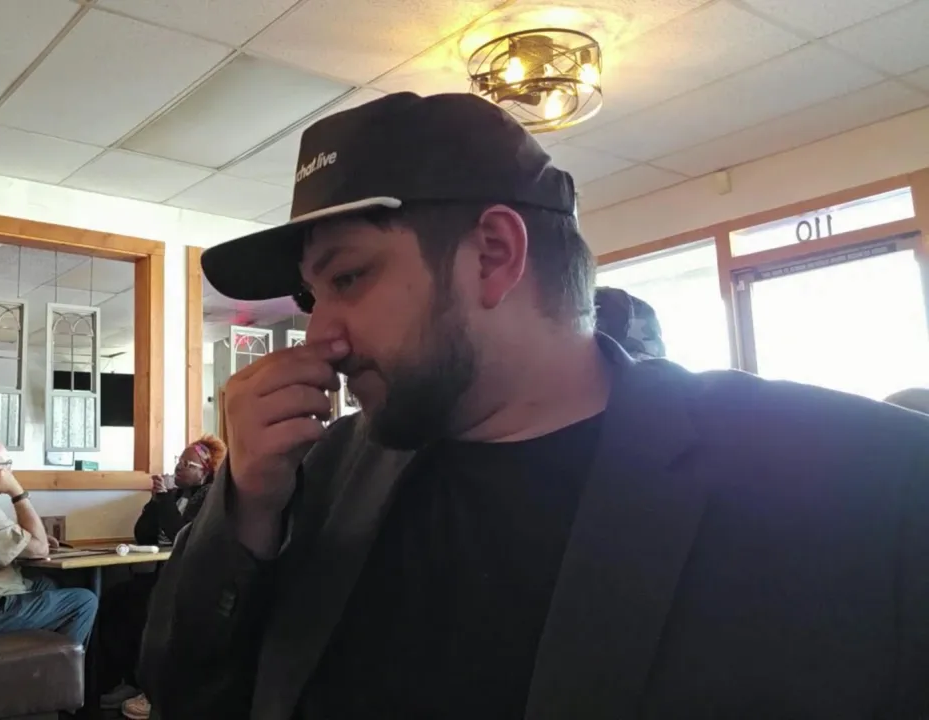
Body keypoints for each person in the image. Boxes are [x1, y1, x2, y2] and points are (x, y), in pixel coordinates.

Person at [138, 92, 929, 719]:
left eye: (348, 278)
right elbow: (185, 695)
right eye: (313, 296)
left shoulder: (865, 484)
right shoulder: (322, 473)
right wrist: (245, 509)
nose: (321, 334)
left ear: (495, 254)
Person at [100, 436, 227, 719]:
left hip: (191, 579)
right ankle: (125, 680)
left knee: (145, 607)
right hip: (162, 573)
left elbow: (180, 535)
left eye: (188, 464)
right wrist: (157, 500)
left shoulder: (210, 497)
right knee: (115, 599)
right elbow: (143, 534)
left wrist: (166, 499)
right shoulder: (175, 494)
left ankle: (151, 688)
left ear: (206, 472)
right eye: (178, 461)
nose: (179, 467)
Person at [0, 436, 98, 649]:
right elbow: (39, 549)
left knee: (49, 584)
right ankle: (59, 667)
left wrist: (31, 539)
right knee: (83, 601)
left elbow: (17, 539)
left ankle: (35, 661)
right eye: (6, 466)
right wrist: (17, 493)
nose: (11, 473)